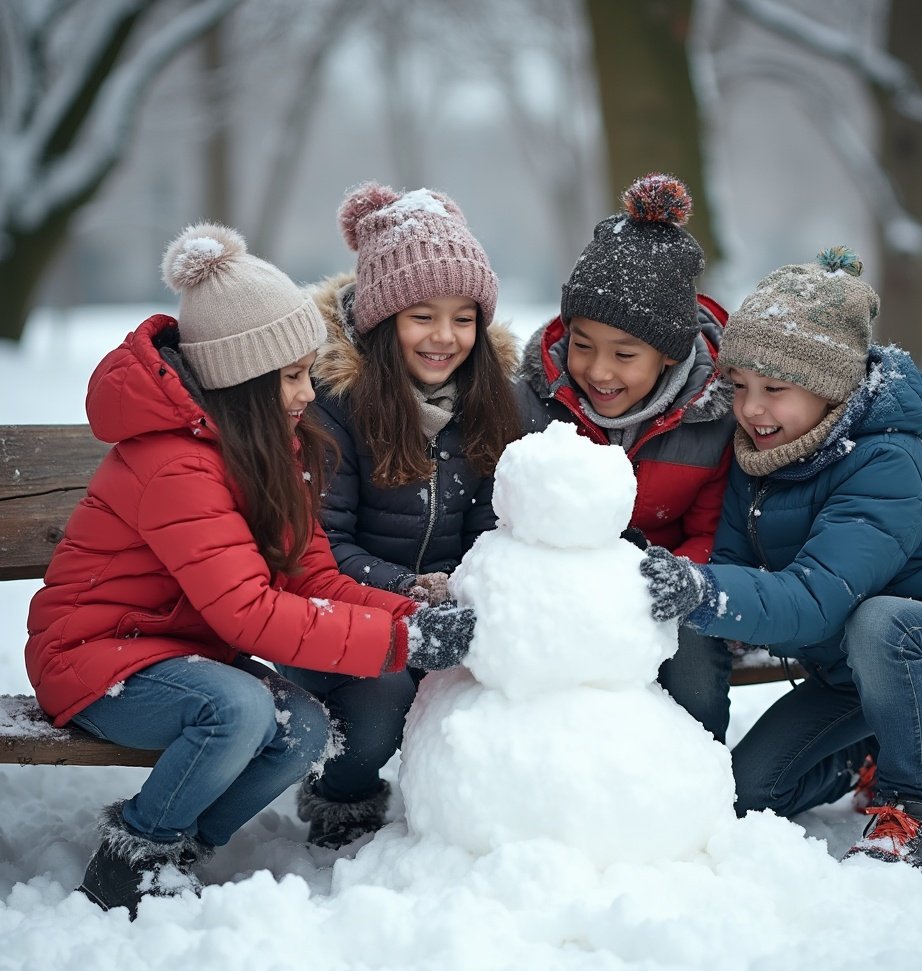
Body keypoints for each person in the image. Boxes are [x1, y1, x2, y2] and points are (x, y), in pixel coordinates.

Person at [24, 222, 475, 917]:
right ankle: (133, 856)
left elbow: (313, 580)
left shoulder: (273, 448)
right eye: (291, 376)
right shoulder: (175, 464)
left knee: (306, 730)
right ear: (240, 379)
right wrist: (401, 645)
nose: (307, 392)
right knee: (236, 709)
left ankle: (179, 850)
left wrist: (411, 617)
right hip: (93, 657)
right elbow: (248, 613)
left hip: (181, 659)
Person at [639, 246, 922, 873]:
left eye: (776, 390)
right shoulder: (760, 456)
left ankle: (916, 811)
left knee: (882, 622)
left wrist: (701, 590)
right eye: (740, 388)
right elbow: (740, 562)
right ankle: (867, 753)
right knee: (754, 791)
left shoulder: (886, 463)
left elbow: (817, 599)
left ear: (831, 388)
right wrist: (694, 583)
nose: (752, 409)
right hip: (853, 668)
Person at [275, 182, 521, 848]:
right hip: (341, 614)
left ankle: (501, 809)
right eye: (422, 316)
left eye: (463, 317)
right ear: (384, 321)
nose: (446, 337)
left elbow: (486, 523)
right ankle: (342, 796)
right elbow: (323, 545)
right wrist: (410, 593)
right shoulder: (331, 404)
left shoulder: (489, 398)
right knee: (383, 693)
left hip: (444, 613)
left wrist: (472, 585)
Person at [515, 172, 736, 742]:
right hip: (559, 586)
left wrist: (658, 579)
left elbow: (716, 531)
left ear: (668, 354)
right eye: (582, 345)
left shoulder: (712, 417)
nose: (598, 370)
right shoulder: (537, 400)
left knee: (691, 662)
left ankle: (690, 774)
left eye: (625, 354)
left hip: (667, 586)